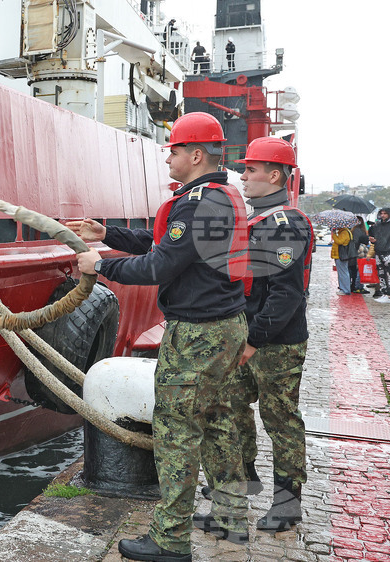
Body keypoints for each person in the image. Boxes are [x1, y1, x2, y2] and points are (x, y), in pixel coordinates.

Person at [70, 112, 249, 560]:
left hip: (198, 334)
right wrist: (107, 234)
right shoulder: (220, 196)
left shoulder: (197, 203)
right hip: (226, 325)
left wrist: (101, 264)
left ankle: (170, 541)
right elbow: (165, 245)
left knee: (176, 430)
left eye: (173, 149)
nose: (166, 156)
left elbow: (159, 266)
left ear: (195, 154)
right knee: (219, 420)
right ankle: (230, 516)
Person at [198, 136, 311, 535]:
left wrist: (253, 340)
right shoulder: (256, 219)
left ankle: (288, 503)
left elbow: (286, 294)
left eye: (251, 169)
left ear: (274, 175)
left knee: (280, 419)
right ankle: (240, 488)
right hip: (248, 337)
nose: (243, 176)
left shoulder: (285, 224)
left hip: (276, 343)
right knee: (231, 410)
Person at [370, 208, 390, 301]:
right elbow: (374, 237)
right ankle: (385, 293)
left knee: (388, 273)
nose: (383, 215)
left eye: (385, 213)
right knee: (381, 273)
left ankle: (388, 294)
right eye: (381, 213)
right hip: (378, 251)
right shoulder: (377, 225)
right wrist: (373, 240)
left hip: (388, 252)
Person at [331, 225, 354, 295]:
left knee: (343, 272)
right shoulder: (344, 232)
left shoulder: (344, 232)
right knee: (343, 272)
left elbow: (339, 242)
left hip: (341, 255)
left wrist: (334, 234)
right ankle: (343, 288)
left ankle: (345, 289)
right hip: (341, 255)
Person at [350, 216, 368, 293]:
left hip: (357, 251)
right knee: (358, 270)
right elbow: (356, 241)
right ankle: (356, 286)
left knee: (356, 270)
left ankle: (355, 285)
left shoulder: (355, 230)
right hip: (359, 251)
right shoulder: (360, 230)